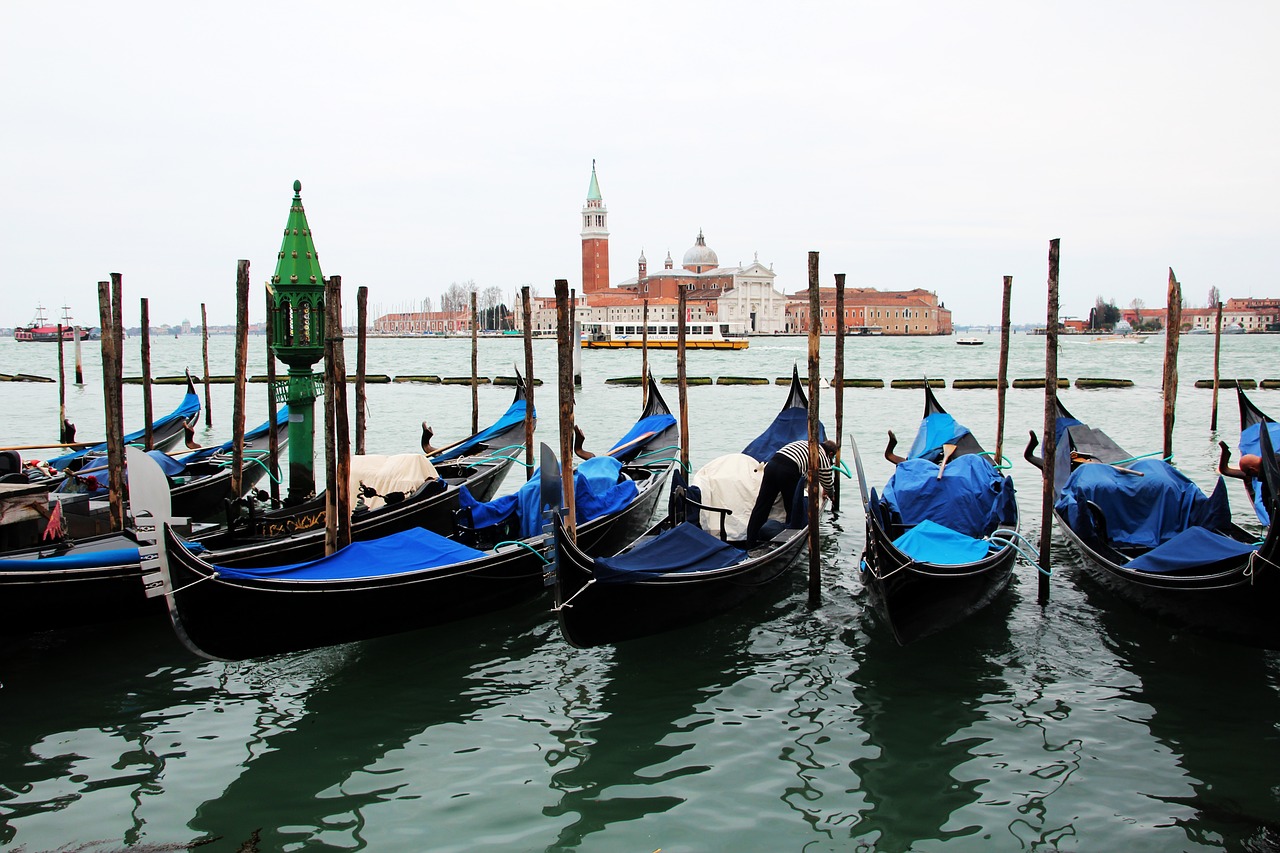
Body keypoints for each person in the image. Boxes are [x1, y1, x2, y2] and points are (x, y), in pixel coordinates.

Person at [745, 438, 838, 546]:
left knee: (762, 505)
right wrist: (831, 494)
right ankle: (789, 542)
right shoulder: (822, 455)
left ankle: (751, 541)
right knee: (793, 508)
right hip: (788, 470)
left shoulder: (805, 443)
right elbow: (827, 482)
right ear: (830, 454)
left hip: (771, 465)